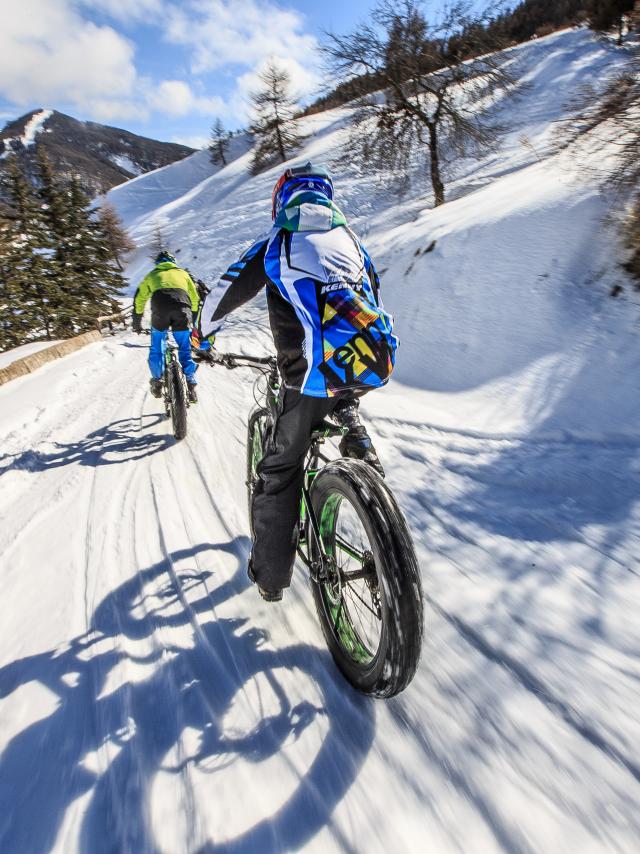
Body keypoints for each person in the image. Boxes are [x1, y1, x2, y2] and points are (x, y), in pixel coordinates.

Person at [200, 162, 397, 602]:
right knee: (338, 400)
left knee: (279, 469)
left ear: (281, 199)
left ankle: (269, 579)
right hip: (364, 367)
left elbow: (223, 295)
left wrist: (200, 336)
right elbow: (374, 301)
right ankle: (358, 441)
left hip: (306, 379)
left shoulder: (278, 240)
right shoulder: (352, 242)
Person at [132, 251, 200, 403]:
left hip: (160, 311)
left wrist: (136, 323)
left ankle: (157, 381)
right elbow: (195, 298)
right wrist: (193, 320)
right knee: (184, 347)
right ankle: (191, 384)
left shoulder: (151, 275)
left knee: (157, 347)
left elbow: (140, 299)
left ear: (158, 263)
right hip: (182, 310)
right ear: (173, 261)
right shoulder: (182, 274)